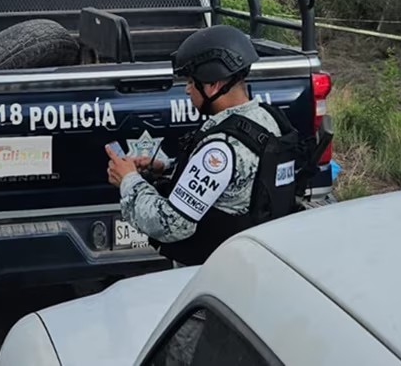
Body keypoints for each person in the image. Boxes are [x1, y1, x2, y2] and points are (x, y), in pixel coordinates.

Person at [107, 24, 300, 266]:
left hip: (211, 272)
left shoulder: (221, 147)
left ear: (213, 85)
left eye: (191, 81)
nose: (187, 90)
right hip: (251, 258)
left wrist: (128, 180)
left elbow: (172, 224)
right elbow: (233, 178)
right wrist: (164, 167)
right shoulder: (266, 118)